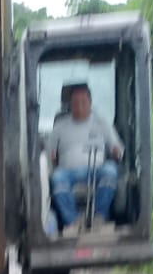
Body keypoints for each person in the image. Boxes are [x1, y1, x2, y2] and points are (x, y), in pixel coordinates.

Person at [48, 83, 123, 234]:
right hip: (68, 172)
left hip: (96, 170)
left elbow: (118, 149)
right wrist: (51, 157)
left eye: (83, 101)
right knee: (57, 177)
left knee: (110, 171)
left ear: (90, 102)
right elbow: (50, 154)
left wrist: (117, 152)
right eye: (75, 102)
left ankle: (99, 218)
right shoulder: (59, 127)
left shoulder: (102, 123)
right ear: (70, 105)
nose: (79, 106)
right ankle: (73, 222)